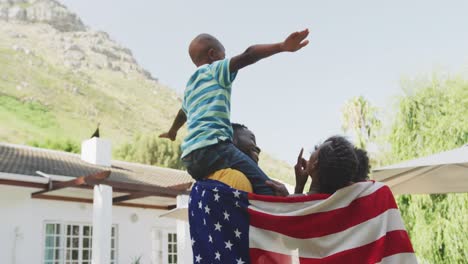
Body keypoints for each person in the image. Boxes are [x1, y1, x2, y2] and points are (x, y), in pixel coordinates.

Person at [160, 30, 309, 195]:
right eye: (224, 56)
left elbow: (182, 113)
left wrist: (172, 131)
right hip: (214, 148)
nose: (226, 60)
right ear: (212, 54)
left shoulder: (191, 86)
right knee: (268, 189)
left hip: (190, 158)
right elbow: (248, 54)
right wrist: (281, 46)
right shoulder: (215, 69)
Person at [266, 136, 359, 196]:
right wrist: (299, 187)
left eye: (316, 150)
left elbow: (295, 212)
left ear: (315, 164)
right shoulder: (337, 205)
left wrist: (294, 193)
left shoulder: (297, 203)